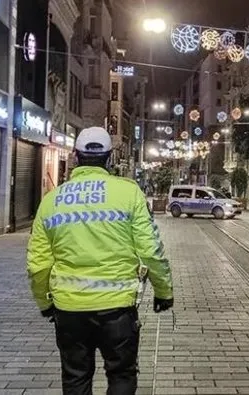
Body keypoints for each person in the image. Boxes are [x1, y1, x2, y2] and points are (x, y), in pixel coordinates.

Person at [27, 126, 174, 394]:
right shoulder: (128, 194)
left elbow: (38, 262)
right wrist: (164, 292)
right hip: (117, 309)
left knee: (75, 377)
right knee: (121, 375)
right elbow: (151, 249)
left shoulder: (52, 200)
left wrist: (44, 302)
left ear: (75, 157)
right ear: (109, 158)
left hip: (69, 308)